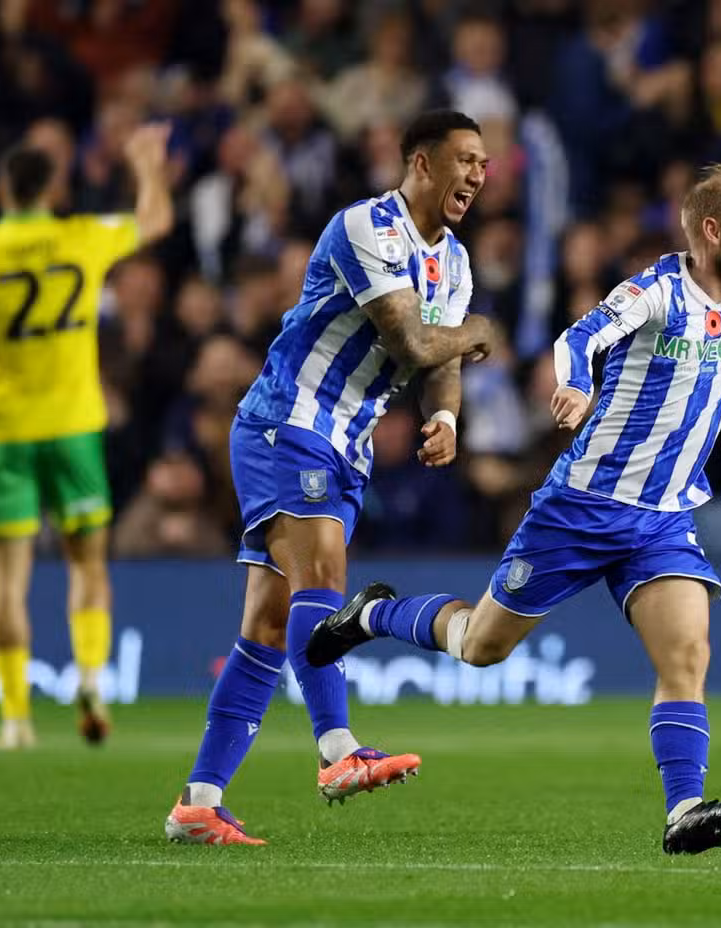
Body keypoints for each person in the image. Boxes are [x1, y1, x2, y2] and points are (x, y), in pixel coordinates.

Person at [302, 158, 721, 855]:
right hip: (580, 508)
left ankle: (684, 812)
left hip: (664, 518)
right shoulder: (656, 290)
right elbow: (577, 338)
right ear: (712, 230)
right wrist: (577, 385)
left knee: (688, 655)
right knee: (479, 647)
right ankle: (372, 613)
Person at [163, 110, 496, 846]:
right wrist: (476, 336)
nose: (477, 174)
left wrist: (445, 419)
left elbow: (437, 362)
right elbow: (413, 337)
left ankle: (199, 800)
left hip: (349, 443)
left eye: (483, 163)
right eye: (464, 159)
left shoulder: (459, 262)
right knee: (324, 576)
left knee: (269, 624)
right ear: (421, 163)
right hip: (290, 421)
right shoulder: (366, 229)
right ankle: (337, 751)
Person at [0, 128, 174, 750]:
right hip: (75, 428)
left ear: (3, 190)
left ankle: (17, 719)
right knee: (87, 566)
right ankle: (90, 681)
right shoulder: (81, 238)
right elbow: (154, 221)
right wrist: (145, 164)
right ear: (51, 190)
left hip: (4, 435)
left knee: (7, 583)